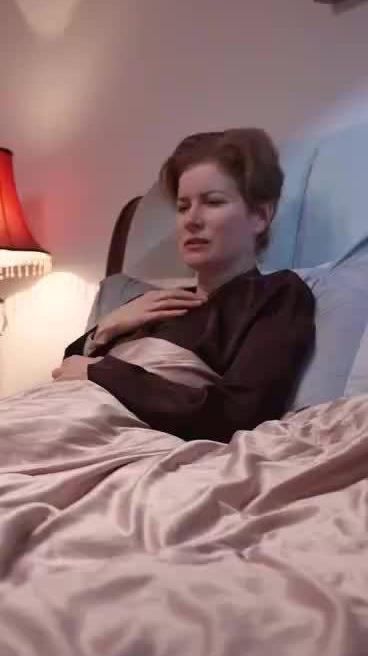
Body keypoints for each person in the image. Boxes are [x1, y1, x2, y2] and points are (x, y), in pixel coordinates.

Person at [53, 127, 315, 442]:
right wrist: (106, 328)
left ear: (259, 216)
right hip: (61, 416)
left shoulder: (277, 295)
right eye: (182, 207)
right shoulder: (150, 304)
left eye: (213, 202)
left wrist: (101, 372)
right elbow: (68, 368)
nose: (192, 220)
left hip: (118, 440)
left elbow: (240, 413)